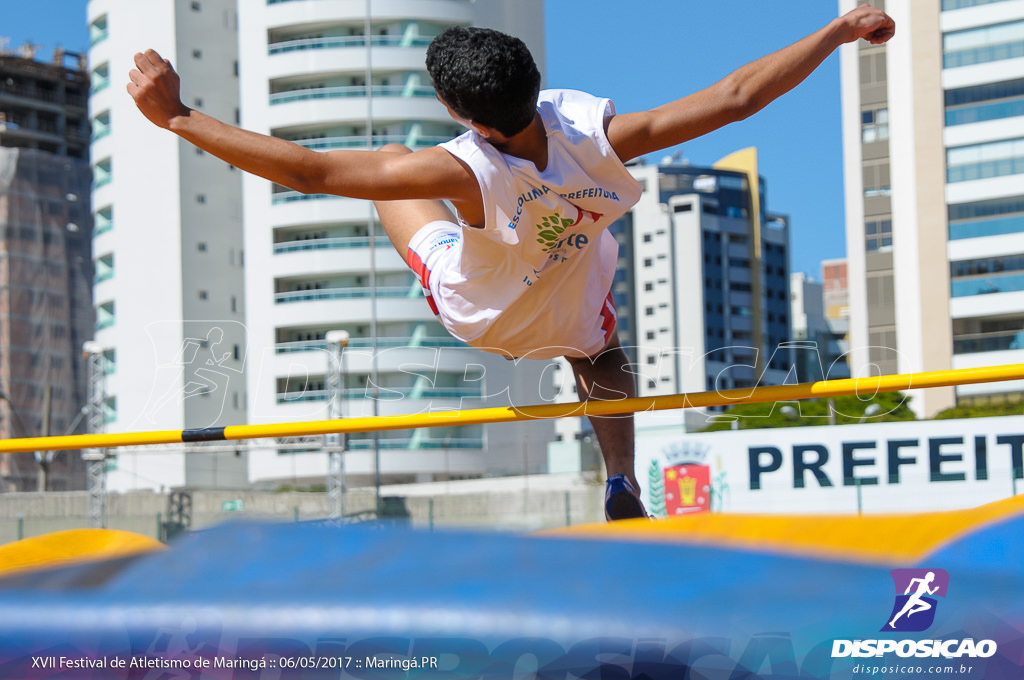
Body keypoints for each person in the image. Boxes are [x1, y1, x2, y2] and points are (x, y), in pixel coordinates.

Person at [127, 6, 895, 521]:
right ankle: (621, 476)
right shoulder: (600, 134)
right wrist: (837, 32)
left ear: (465, 118)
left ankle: (621, 473)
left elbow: (312, 173)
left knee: (389, 161)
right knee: (602, 352)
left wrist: (177, 116)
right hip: (565, 298)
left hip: (479, 308)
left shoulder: (460, 169)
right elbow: (734, 98)